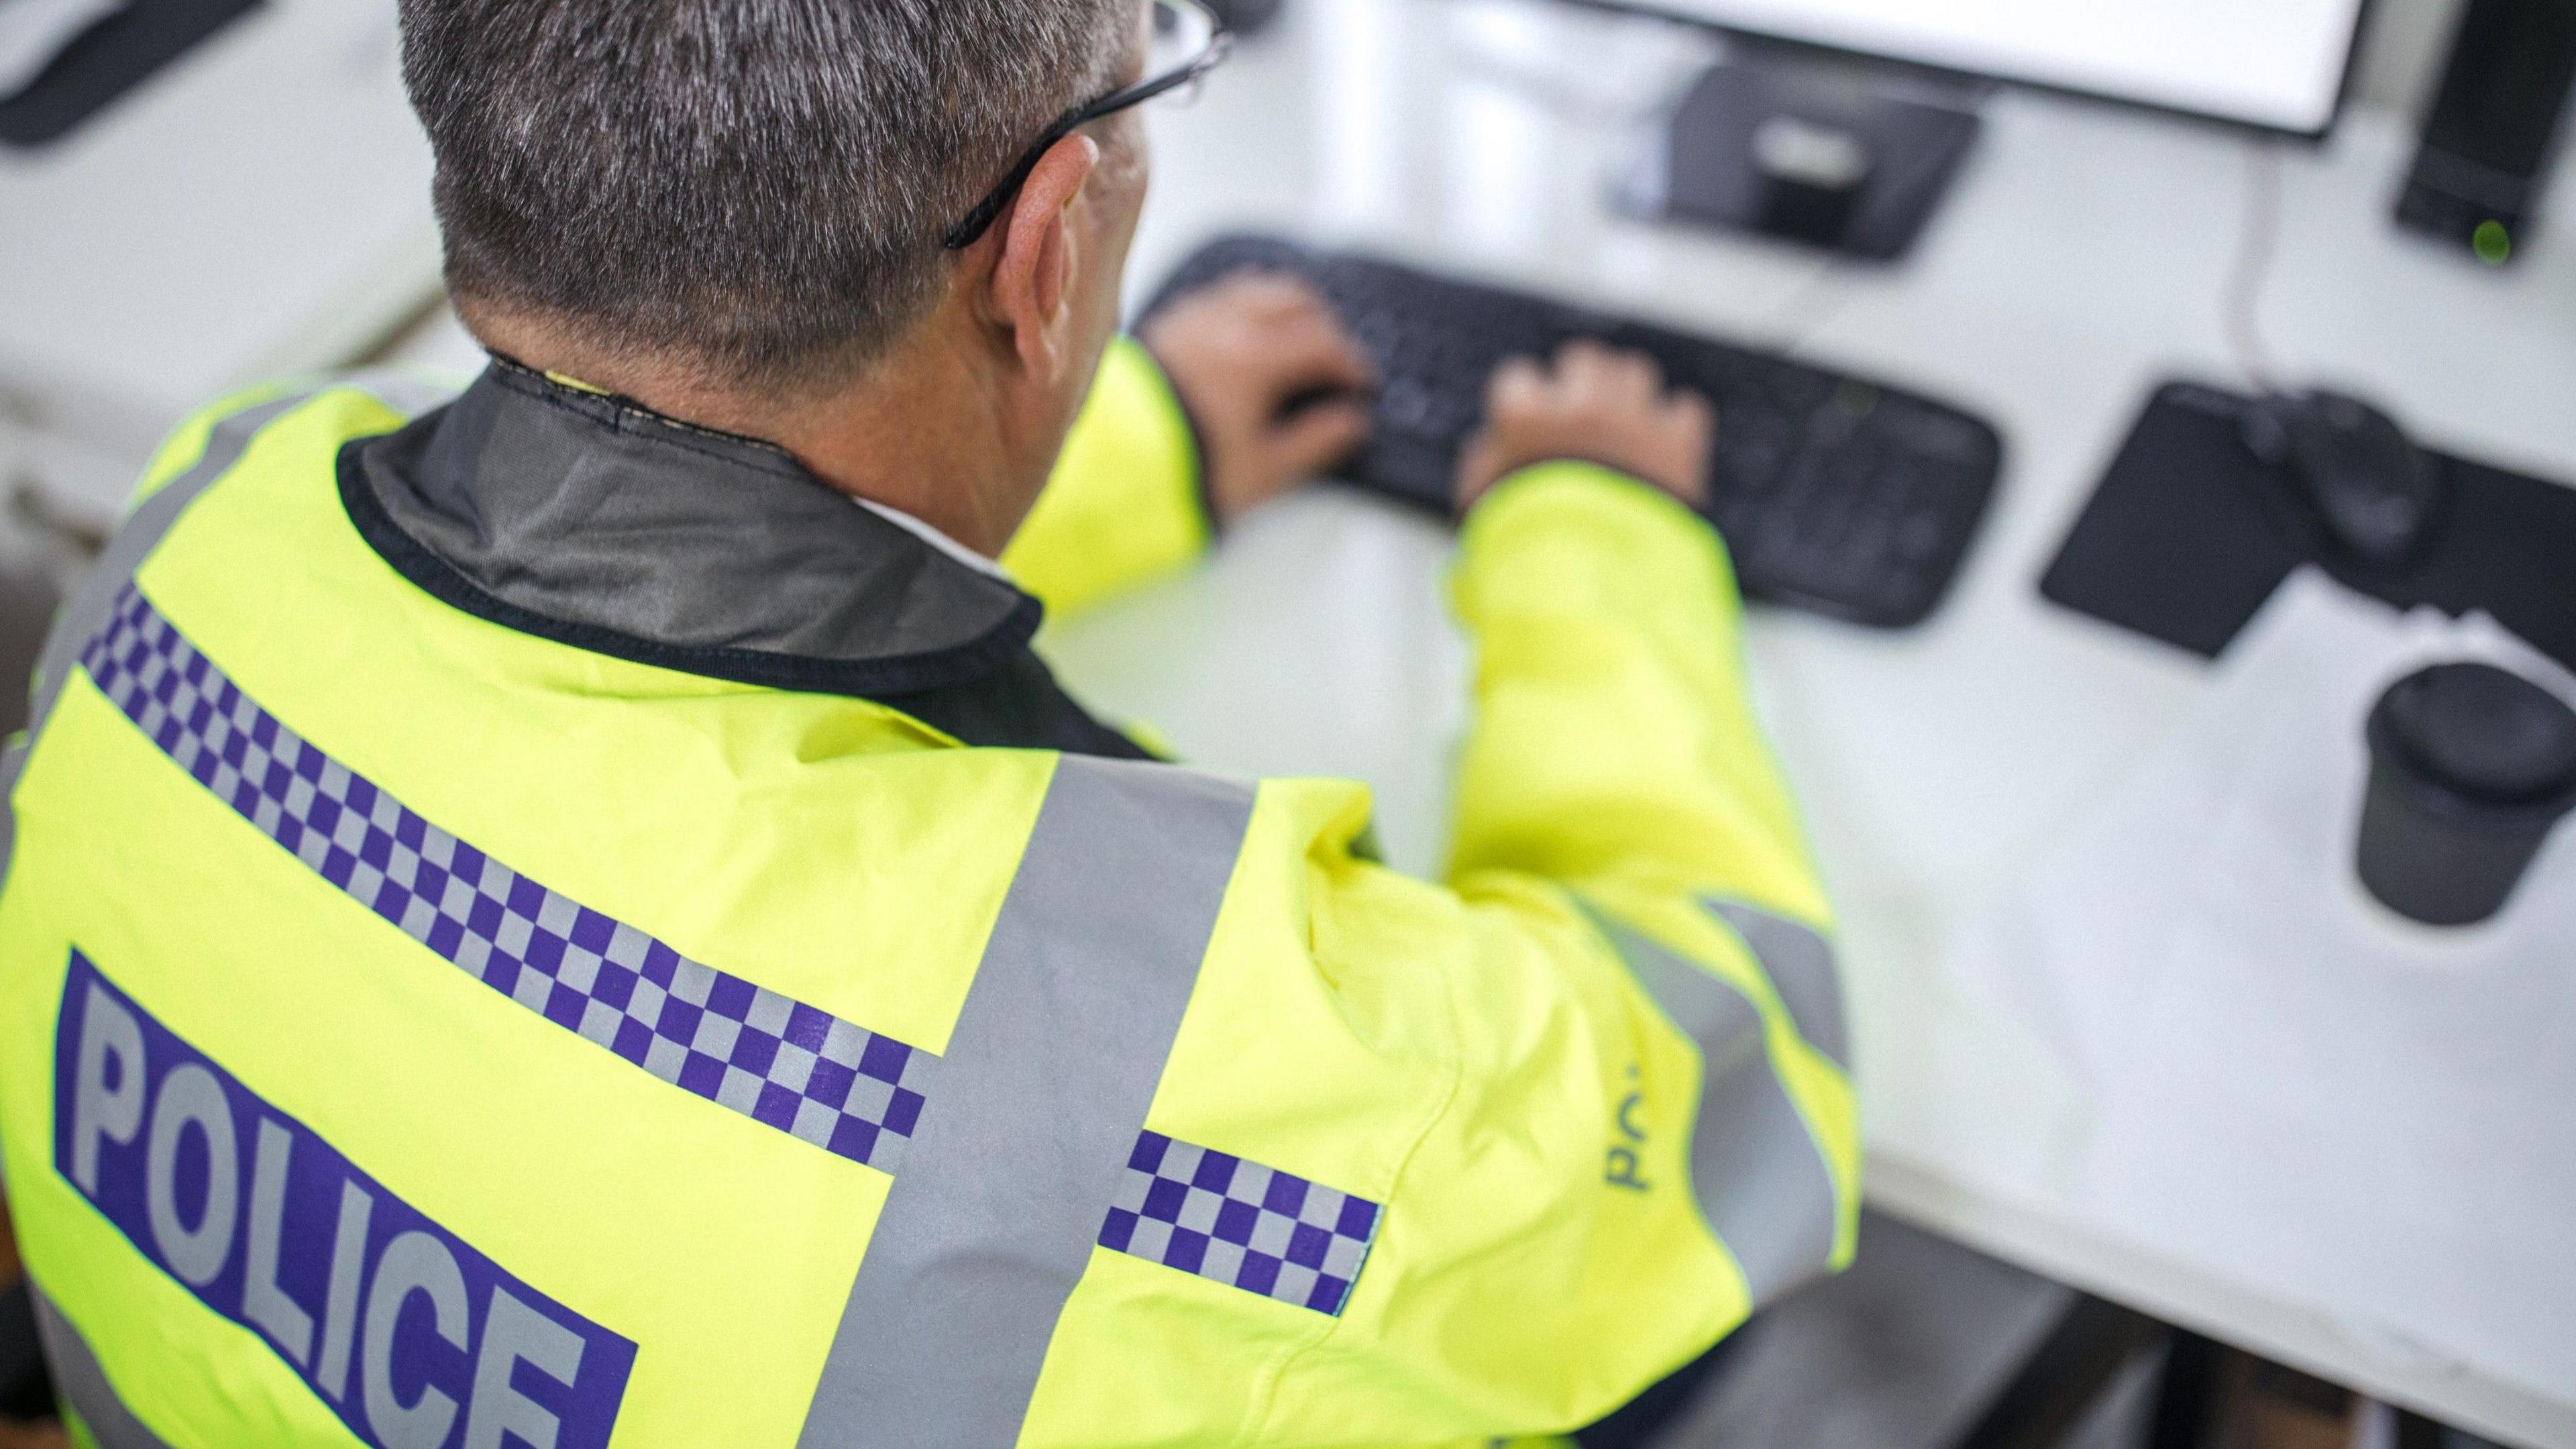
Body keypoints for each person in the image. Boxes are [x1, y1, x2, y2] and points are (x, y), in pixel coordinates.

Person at [0, 0, 1857, 1444]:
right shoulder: (1170, 1063)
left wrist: (1126, 452)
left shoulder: (201, 518)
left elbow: (643, 531)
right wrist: (1594, 538)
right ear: (1049, 256)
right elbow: (1730, 1070)